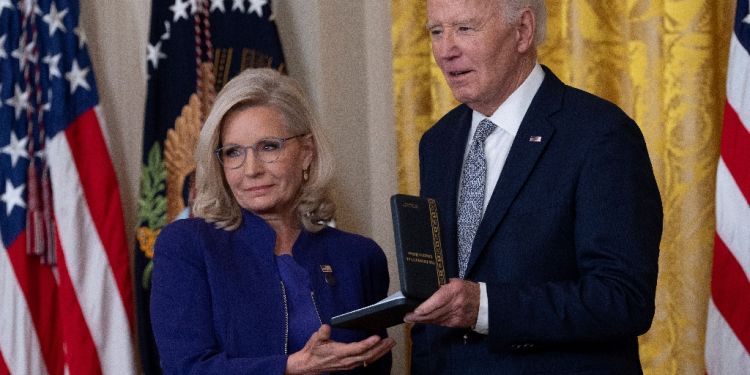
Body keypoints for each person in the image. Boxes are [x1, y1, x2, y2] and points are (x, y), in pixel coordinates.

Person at [403, 0, 663, 373]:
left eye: (465, 29)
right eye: (436, 32)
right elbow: (433, 300)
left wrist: (487, 307)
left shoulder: (600, 134)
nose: (445, 51)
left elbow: (623, 299)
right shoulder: (438, 141)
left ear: (522, 30)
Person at [150, 68, 396, 375]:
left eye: (268, 147)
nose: (250, 169)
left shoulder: (359, 256)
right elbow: (185, 368)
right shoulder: (188, 245)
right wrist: (291, 367)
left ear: (306, 152)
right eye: (233, 152)